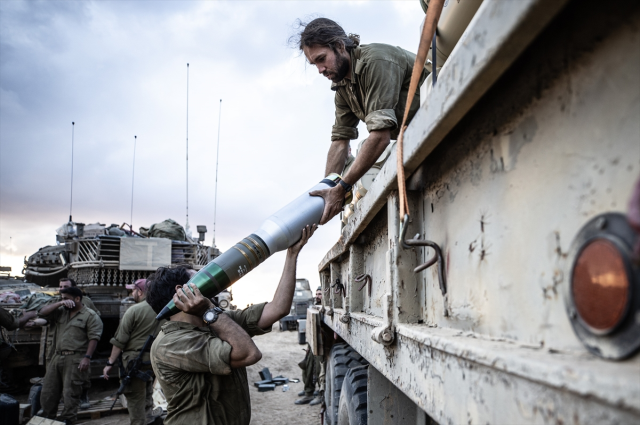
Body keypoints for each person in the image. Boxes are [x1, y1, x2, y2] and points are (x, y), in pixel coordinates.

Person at [146, 224, 317, 425]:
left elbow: (277, 309)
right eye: (198, 278)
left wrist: (291, 256)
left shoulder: (213, 320)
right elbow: (249, 354)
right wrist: (208, 311)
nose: (208, 281)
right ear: (182, 292)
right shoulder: (171, 344)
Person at [293, 18, 429, 224]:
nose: (320, 70)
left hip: (441, 121)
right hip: (415, 137)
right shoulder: (342, 88)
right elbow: (340, 142)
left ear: (340, 46)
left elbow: (381, 137)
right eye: (314, 64)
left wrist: (343, 188)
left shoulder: (375, 62)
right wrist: (326, 193)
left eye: (322, 59)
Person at [37, 287, 103, 424]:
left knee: (70, 393)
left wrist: (87, 357)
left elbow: (94, 338)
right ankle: (48, 419)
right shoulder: (61, 312)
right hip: (57, 356)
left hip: (75, 359)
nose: (64, 301)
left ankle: (68, 419)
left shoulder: (90, 315)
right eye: (62, 299)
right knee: (48, 392)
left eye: (66, 298)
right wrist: (60, 303)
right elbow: (42, 313)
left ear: (77, 299)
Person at [102, 279, 163, 425]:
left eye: (133, 290)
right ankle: (148, 420)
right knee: (147, 393)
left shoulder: (134, 310)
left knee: (135, 399)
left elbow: (119, 341)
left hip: (134, 361)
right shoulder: (162, 309)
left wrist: (109, 363)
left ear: (140, 292)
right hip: (154, 359)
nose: (131, 293)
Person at [294, 286, 324, 406]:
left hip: (321, 345)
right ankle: (308, 392)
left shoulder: (325, 308)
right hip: (313, 343)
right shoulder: (315, 307)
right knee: (307, 366)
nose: (317, 296)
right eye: (316, 294)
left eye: (320, 294)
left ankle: (320, 394)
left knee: (319, 371)